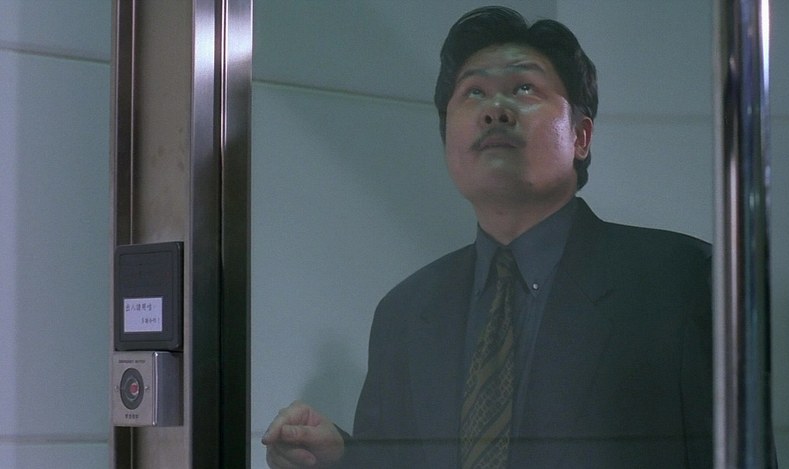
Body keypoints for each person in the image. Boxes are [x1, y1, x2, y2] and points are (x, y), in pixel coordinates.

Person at [262, 6, 712, 468]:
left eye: (524, 88)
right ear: (447, 140)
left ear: (581, 136)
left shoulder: (680, 281)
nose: (496, 110)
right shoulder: (405, 314)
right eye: (474, 92)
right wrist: (339, 459)